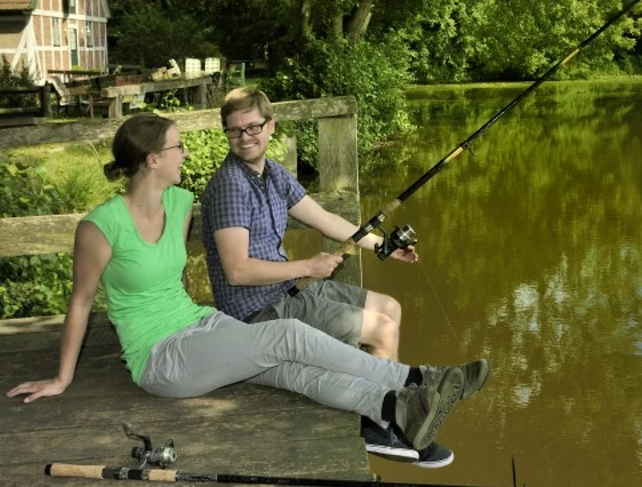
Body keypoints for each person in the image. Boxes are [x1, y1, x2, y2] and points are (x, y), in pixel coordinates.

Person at [7, 113, 479, 458]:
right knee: (287, 336)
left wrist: (373, 244)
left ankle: (394, 408)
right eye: (177, 148)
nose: (186, 154)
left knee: (293, 370)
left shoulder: (181, 202)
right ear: (152, 160)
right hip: (159, 358)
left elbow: (285, 223)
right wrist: (62, 377)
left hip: (202, 323)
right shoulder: (99, 227)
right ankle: (419, 379)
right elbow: (81, 302)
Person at [199, 87, 490, 466]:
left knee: (390, 307)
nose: (244, 138)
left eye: (252, 127)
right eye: (234, 131)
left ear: (270, 126)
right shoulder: (230, 186)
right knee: (380, 329)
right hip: (258, 313)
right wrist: (307, 266)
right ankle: (382, 425)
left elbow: (327, 220)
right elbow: (236, 272)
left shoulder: (272, 174)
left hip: (287, 291)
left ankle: (393, 413)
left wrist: (383, 246)